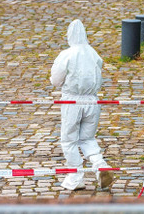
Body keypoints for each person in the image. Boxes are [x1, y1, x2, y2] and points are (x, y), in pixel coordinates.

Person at [50, 19, 113, 190]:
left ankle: (75, 176)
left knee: (69, 140)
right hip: (92, 101)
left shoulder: (67, 55)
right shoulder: (94, 53)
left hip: (73, 101)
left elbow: (56, 80)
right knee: (87, 138)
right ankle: (100, 165)